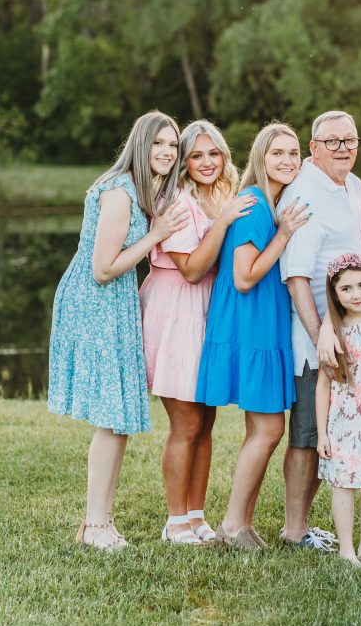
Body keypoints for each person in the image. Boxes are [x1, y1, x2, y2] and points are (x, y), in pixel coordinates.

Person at [48, 110, 190, 550]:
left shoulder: (137, 189)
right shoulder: (119, 192)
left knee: (119, 418)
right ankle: (94, 526)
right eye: (159, 144)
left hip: (115, 302)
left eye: (173, 146)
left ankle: (102, 522)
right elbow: (104, 268)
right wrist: (157, 234)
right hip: (95, 302)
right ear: (140, 145)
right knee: (112, 417)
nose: (167, 152)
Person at [139, 120, 256, 544]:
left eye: (214, 153)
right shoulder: (176, 200)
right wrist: (222, 223)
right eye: (196, 155)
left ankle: (196, 515)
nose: (207, 162)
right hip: (176, 310)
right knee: (185, 423)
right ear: (184, 162)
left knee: (206, 422)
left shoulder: (222, 197)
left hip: (211, 311)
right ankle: (174, 521)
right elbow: (190, 269)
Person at [195, 122, 310, 550]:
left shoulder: (271, 202)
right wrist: (283, 235)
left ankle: (240, 523)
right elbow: (243, 278)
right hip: (250, 321)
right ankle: (232, 525)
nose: (287, 160)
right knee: (268, 430)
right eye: (277, 153)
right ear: (260, 158)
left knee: (261, 429)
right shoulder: (254, 204)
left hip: (263, 321)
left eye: (293, 153)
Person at [276, 110, 361, 551]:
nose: (343, 149)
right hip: (315, 337)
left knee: (328, 434)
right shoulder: (304, 194)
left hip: (350, 331)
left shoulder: (351, 185)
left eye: (349, 140)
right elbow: (296, 277)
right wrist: (321, 339)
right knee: (307, 435)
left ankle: (305, 527)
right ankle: (294, 530)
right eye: (332, 142)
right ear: (313, 148)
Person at [315, 254, 361, 566]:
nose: (356, 294)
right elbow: (323, 384)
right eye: (346, 289)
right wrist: (322, 434)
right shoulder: (335, 331)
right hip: (345, 420)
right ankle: (346, 548)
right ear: (335, 293)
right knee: (344, 482)